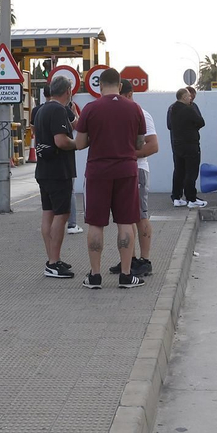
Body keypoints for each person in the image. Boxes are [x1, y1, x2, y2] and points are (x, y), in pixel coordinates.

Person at [70, 67, 146, 290]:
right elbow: (140, 144)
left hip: (97, 173)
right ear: (120, 86)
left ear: (100, 86)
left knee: (96, 224)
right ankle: (125, 275)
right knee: (125, 223)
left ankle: (94, 276)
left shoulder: (91, 109)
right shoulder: (134, 108)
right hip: (126, 171)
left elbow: (81, 144)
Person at [32, 74, 79, 278]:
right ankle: (53, 262)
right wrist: (77, 144)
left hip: (44, 170)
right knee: (61, 215)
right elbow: (61, 141)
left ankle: (52, 260)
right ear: (68, 92)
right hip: (59, 171)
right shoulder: (59, 110)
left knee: (48, 213)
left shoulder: (42, 110)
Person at [110, 79, 158, 277]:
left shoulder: (142, 114)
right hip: (121, 171)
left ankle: (145, 260)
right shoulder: (116, 115)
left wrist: (128, 154)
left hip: (138, 170)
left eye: (120, 96)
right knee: (125, 218)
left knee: (140, 216)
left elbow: (153, 146)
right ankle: (130, 259)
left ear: (128, 95)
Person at [166, 87, 204, 208]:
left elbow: (170, 125)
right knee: (191, 171)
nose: (191, 98)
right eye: (189, 96)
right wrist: (190, 127)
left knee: (179, 170)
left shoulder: (172, 108)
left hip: (177, 144)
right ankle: (191, 198)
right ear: (183, 96)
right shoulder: (189, 109)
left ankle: (176, 198)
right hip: (190, 144)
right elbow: (201, 122)